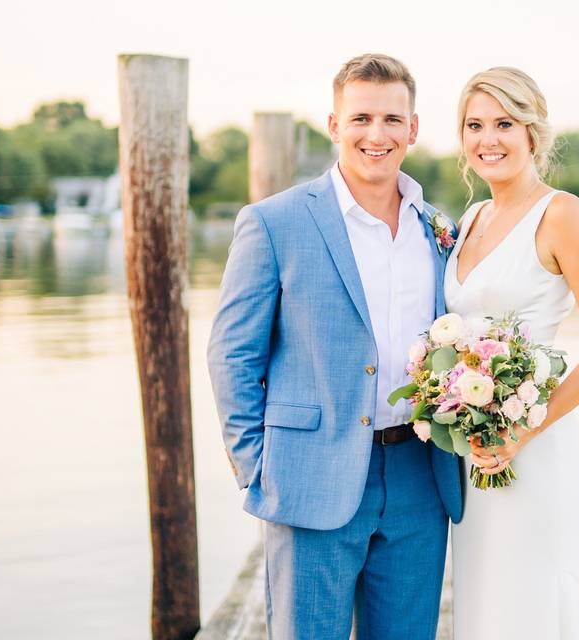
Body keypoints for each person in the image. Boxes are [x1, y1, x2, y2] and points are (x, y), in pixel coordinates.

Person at [207, 53, 463, 640]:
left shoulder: (439, 229)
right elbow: (232, 355)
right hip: (310, 473)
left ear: (414, 129)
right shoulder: (274, 222)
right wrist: (256, 467)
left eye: (393, 120)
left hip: (419, 479)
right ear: (334, 124)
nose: (377, 135)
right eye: (361, 118)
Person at [446, 67, 579, 639]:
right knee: (484, 606)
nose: (488, 139)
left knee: (532, 607)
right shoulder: (472, 218)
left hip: (533, 447)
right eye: (474, 125)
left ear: (532, 131)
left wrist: (524, 430)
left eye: (504, 122)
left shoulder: (561, 214)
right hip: (474, 449)